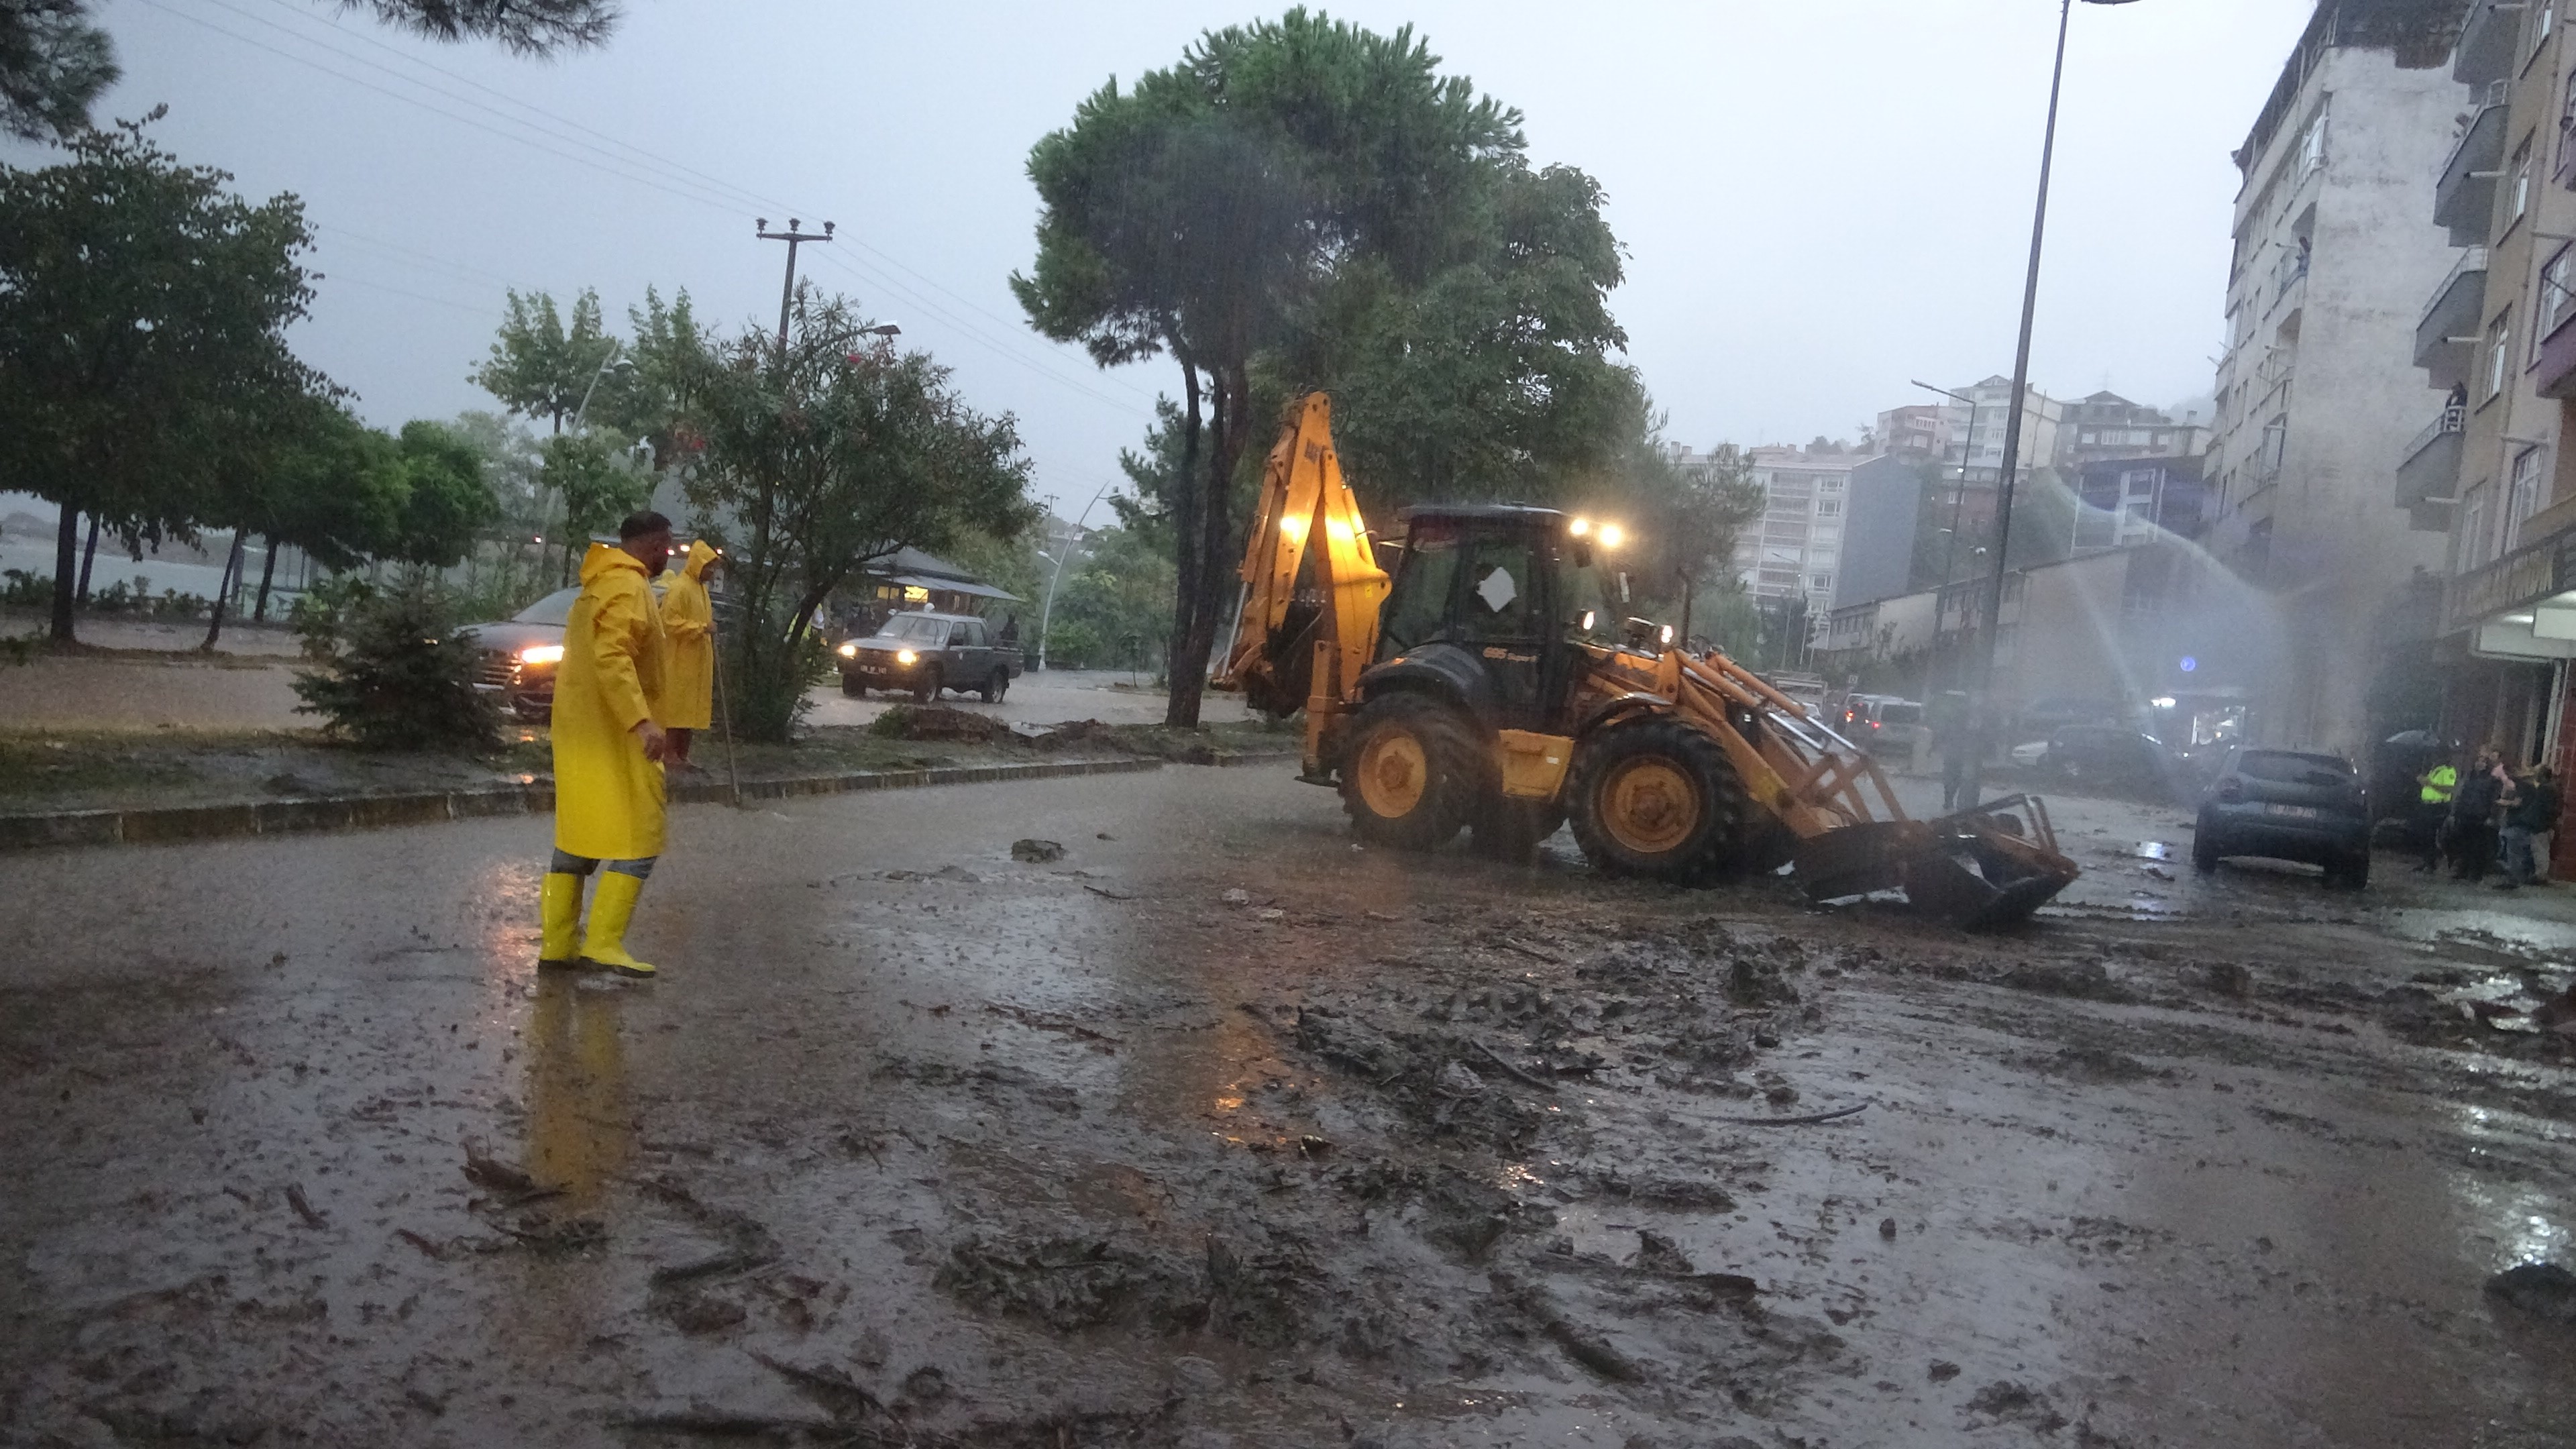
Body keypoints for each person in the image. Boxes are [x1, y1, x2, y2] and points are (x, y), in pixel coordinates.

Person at [538, 511, 674, 979]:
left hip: (580, 732)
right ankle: (603, 944)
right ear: (653, 543)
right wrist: (641, 722)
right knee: (641, 836)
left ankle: (557, 946)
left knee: (578, 836)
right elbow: (613, 656)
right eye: (666, 546)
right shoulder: (628, 587)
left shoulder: (597, 584)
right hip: (616, 734)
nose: (668, 555)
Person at [657, 539, 720, 768]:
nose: (712, 572)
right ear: (697, 564)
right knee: (676, 710)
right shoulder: (680, 588)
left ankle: (683, 755)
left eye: (714, 567)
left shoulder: (701, 589)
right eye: (709, 566)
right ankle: (669, 753)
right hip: (679, 659)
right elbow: (669, 621)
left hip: (696, 660)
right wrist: (701, 628)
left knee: (691, 711)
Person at [2501, 765, 2561, 889]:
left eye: (2537, 772)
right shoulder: (2550, 788)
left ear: (2543, 775)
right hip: (2543, 825)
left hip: (2540, 826)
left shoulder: (2545, 789)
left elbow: (2539, 809)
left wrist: (2527, 820)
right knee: (2537, 850)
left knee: (2539, 851)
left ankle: (2539, 876)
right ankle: (2535, 875)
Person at [2450, 747, 2504, 883]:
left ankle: (2475, 874)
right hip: (2465, 814)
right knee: (2463, 844)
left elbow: (2494, 799)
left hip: (2481, 817)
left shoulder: (2492, 780)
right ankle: (2462, 870)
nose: (2480, 763)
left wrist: (2492, 816)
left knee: (2478, 847)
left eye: (2484, 761)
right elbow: (2461, 794)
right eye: (2479, 760)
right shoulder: (2469, 776)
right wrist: (2455, 811)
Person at [2414, 753, 2459, 873]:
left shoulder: (2448, 771)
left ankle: (2434, 863)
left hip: (2439, 806)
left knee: (2435, 836)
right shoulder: (2434, 770)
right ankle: (2427, 861)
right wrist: (2422, 781)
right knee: (2425, 835)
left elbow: (2448, 789)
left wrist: (2430, 783)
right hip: (2428, 805)